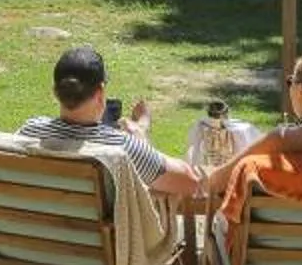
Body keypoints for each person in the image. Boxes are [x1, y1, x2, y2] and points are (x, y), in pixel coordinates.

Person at [19, 45, 207, 201]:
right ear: (100, 93)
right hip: (100, 245)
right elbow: (190, 182)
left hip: (28, 244)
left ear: (55, 91)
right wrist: (142, 136)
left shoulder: (28, 132)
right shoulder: (121, 148)